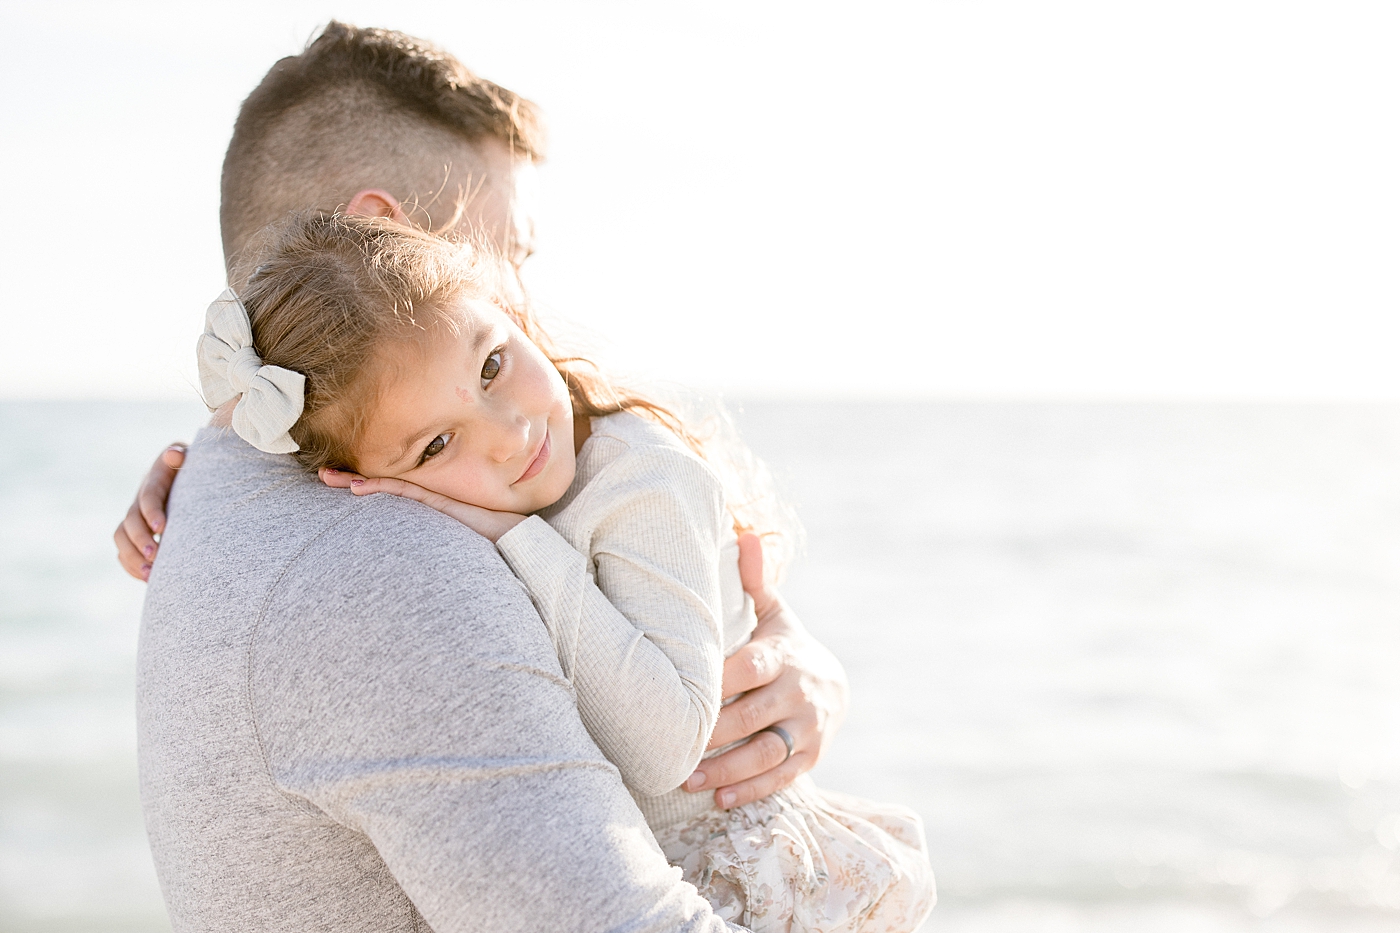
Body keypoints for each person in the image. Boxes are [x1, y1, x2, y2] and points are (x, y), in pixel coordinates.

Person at [124, 22, 854, 929]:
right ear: (383, 240)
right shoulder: (378, 557)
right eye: (509, 250)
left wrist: (780, 655)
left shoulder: (240, 484)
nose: (524, 293)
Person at [201, 211, 934, 931]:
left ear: (508, 308)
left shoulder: (644, 481)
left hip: (741, 875)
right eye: (436, 446)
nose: (512, 434)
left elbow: (666, 746)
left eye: (492, 364)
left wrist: (517, 538)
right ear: (353, 478)